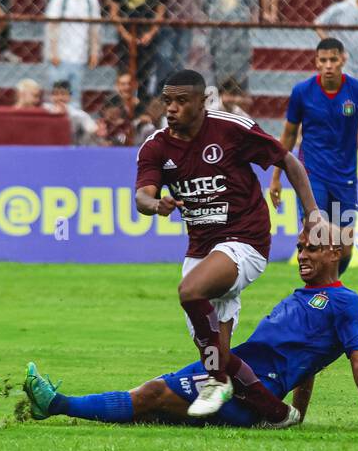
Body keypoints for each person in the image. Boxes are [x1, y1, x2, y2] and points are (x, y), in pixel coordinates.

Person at [21, 226, 358, 428]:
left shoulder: (346, 302)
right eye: (300, 248)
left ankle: (55, 404)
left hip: (245, 390)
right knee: (150, 406)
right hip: (231, 372)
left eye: (312, 250)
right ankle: (59, 405)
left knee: (150, 395)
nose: (302, 256)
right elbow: (309, 364)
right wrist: (298, 415)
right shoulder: (304, 295)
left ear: (334, 254)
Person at [134, 69, 322, 420]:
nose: (171, 109)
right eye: (167, 101)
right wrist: (155, 204)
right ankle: (279, 415)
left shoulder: (230, 128)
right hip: (201, 250)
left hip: (245, 240)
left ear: (202, 103)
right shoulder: (157, 145)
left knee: (190, 292)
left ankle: (216, 382)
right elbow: (142, 196)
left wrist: (311, 213)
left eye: (180, 101)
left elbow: (288, 160)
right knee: (218, 351)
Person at [270, 38, 358, 274]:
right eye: (323, 60)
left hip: (344, 178)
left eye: (333, 60)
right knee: (317, 237)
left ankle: (331, 287)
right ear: (316, 62)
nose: (328, 65)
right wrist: (276, 177)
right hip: (311, 176)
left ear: (343, 60)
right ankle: (318, 294)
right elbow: (287, 136)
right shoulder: (302, 92)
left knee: (344, 247)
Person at [108, 0, 166, 97]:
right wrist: (125, 34)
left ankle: (141, 105)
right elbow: (114, 13)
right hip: (126, 36)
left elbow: (160, 13)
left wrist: (150, 33)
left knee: (144, 74)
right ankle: (124, 102)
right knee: (124, 72)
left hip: (146, 36)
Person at [204, 0, 260, 93]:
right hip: (217, 37)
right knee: (216, 77)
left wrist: (253, 31)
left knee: (240, 77)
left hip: (239, 37)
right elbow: (204, 7)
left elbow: (254, 9)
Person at [43, 0, 100, 107]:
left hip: (79, 58)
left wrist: (94, 52)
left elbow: (95, 30)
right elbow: (51, 27)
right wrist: (53, 52)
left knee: (74, 101)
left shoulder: (91, 2)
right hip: (60, 58)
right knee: (55, 99)